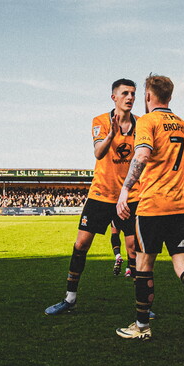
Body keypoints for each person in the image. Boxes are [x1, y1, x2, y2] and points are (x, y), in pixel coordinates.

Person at [114, 74, 184, 351]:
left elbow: (142, 155)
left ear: (148, 96)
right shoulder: (182, 124)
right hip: (182, 204)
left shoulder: (147, 121)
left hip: (154, 204)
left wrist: (125, 189)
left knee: (143, 264)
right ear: (170, 96)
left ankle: (141, 326)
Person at [45, 79, 141, 315]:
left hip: (130, 196)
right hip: (101, 194)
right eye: (125, 93)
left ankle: (142, 306)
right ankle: (70, 298)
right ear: (114, 97)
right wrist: (112, 134)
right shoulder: (100, 121)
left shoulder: (142, 125)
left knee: (134, 249)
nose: (130, 97)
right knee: (81, 244)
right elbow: (98, 153)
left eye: (133, 93)